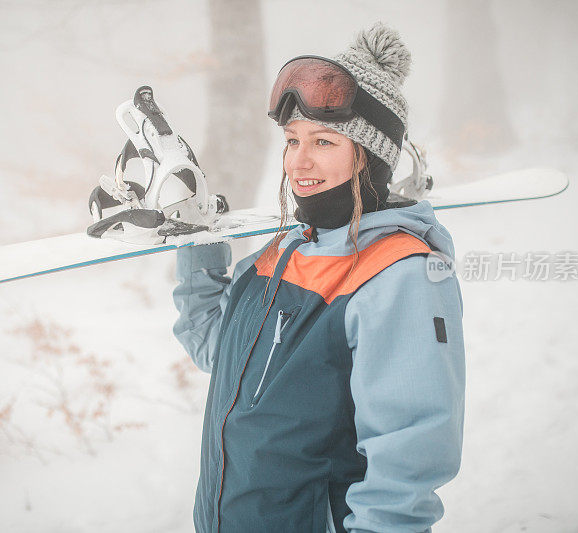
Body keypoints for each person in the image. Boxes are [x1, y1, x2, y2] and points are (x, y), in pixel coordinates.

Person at [172, 21, 465, 533]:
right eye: (291, 141)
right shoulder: (283, 251)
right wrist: (196, 243)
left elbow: (407, 460)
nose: (298, 162)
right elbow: (215, 351)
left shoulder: (399, 276)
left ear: (369, 155)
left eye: (324, 142)